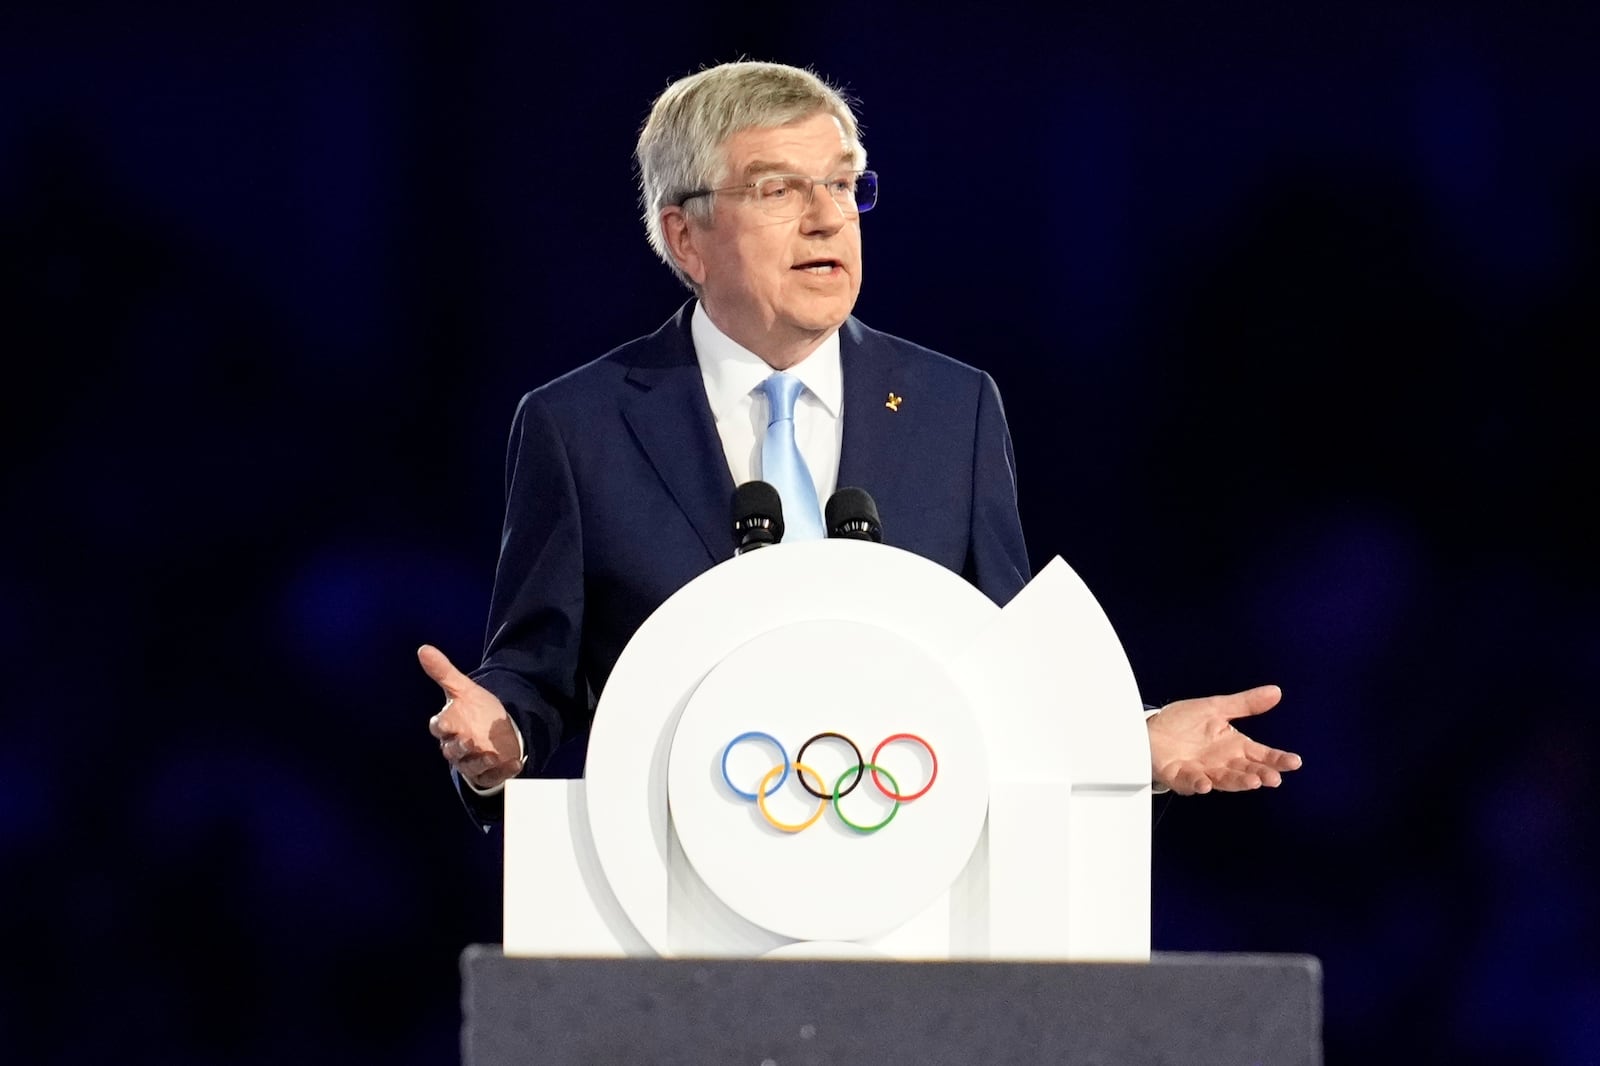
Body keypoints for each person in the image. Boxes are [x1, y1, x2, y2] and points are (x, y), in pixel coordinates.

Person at [421, 61, 1301, 828]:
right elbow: (537, 673)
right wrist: (500, 738)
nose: (826, 218)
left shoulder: (953, 408)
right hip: (675, 894)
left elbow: (1005, 667)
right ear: (685, 235)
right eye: (776, 189)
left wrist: (1131, 740)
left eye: (844, 185)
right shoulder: (579, 425)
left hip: (912, 879)